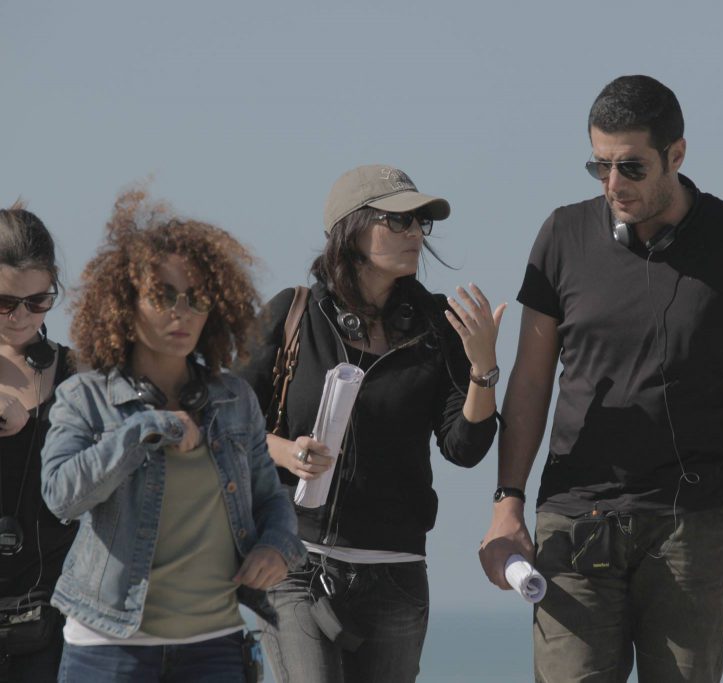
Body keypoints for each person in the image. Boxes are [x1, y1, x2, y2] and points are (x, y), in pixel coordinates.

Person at [478, 74, 723, 682]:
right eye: (599, 166)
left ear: (676, 155)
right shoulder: (561, 235)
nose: (613, 184)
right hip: (575, 523)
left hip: (694, 530)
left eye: (631, 167)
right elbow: (529, 385)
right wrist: (508, 502)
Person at [236, 164, 503, 683]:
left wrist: (483, 369)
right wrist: (287, 452)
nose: (415, 233)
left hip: (396, 573)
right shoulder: (293, 314)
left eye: (420, 222)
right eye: (398, 220)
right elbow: (225, 422)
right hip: (294, 561)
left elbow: (465, 447)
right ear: (351, 230)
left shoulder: (437, 325)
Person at [39, 189, 305, 683]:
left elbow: (272, 499)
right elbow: (61, 497)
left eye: (196, 298)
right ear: (125, 304)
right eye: (163, 296)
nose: (181, 312)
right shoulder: (85, 396)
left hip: (214, 645)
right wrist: (143, 430)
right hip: (109, 646)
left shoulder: (234, 399)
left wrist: (276, 546)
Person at [0, 202, 76, 682]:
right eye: (4, 302)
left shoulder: (79, 375)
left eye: (38, 301)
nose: (20, 317)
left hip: (52, 619)